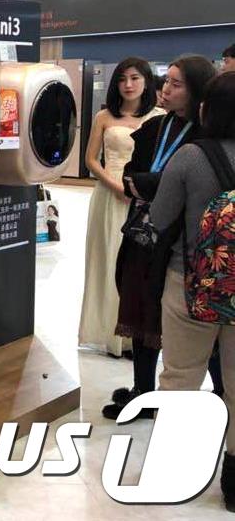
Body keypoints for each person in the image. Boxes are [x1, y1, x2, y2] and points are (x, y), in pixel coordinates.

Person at [103, 55, 220, 419]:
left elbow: (168, 185)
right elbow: (130, 177)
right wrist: (150, 183)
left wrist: (151, 184)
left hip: (186, 245)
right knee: (141, 313)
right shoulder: (155, 128)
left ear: (197, 90)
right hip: (144, 235)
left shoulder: (207, 138)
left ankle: (220, 394)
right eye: (165, 81)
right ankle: (142, 391)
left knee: (200, 328)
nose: (165, 89)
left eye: (176, 83)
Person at [152, 71, 235, 510]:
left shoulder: (189, 156)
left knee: (181, 376)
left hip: (189, 282)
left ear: (207, 109)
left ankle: (175, 471)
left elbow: (160, 217)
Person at [79, 58, 159, 357]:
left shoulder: (159, 117)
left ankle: (134, 335)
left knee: (138, 267)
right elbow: (90, 160)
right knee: (108, 259)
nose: (128, 84)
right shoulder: (104, 116)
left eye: (135, 78)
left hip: (145, 197)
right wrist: (117, 187)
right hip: (109, 194)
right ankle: (109, 334)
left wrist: (138, 189)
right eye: (123, 79)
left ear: (147, 81)